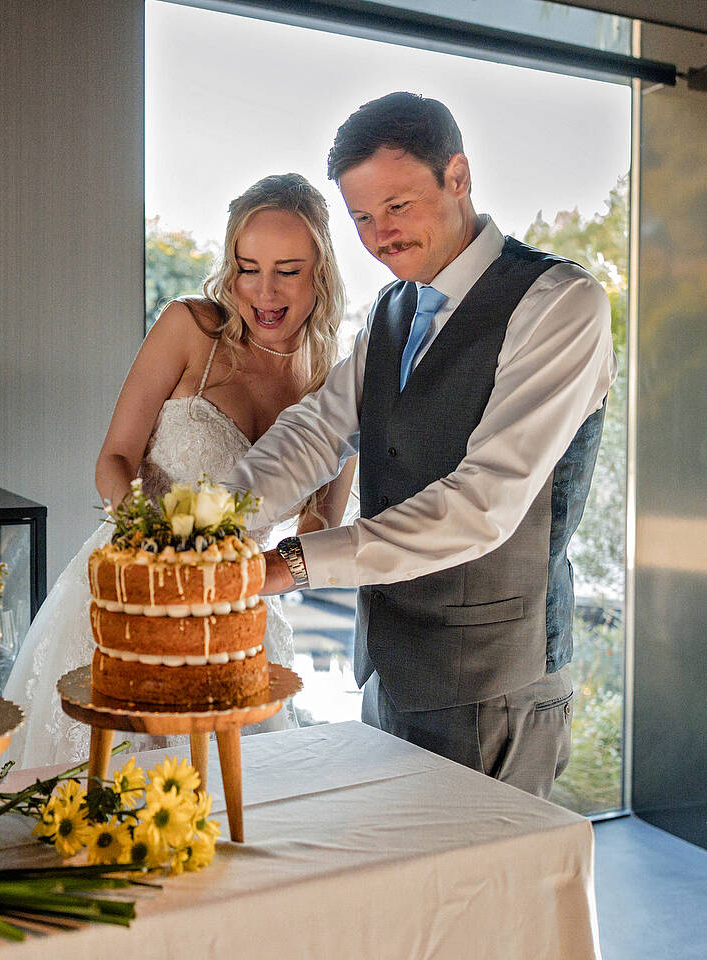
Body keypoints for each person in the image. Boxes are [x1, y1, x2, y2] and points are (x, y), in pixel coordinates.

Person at [228, 93, 615, 800]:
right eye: (362, 217)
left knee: (489, 904)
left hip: (495, 685)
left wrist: (286, 566)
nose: (380, 236)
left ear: (458, 177)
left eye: (397, 206)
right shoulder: (390, 308)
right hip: (387, 667)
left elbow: (481, 505)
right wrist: (220, 511)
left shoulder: (560, 304)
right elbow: (320, 427)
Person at [4, 173, 357, 771]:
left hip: (236, 624)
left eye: (288, 270)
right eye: (248, 268)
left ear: (321, 271)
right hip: (127, 600)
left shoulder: (336, 382)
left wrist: (261, 567)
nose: (264, 292)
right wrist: (152, 539)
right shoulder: (191, 329)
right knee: (96, 803)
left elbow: (319, 527)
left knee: (228, 815)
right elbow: (114, 458)